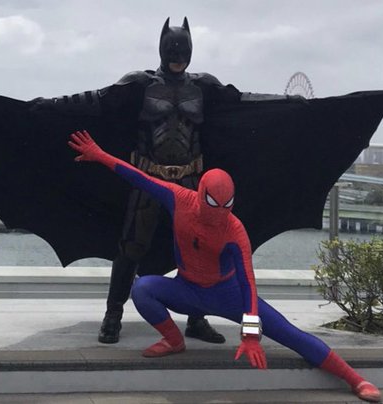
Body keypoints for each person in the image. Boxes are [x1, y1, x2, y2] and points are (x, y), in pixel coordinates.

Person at [68, 130, 382, 402]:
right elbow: (139, 177)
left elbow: (248, 284)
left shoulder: (234, 231)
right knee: (143, 288)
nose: (219, 212)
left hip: (228, 295)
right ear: (200, 194)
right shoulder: (179, 198)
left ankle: (355, 379)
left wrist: (250, 334)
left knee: (290, 334)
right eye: (213, 204)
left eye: (226, 206)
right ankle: (174, 341)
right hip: (187, 289)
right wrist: (99, 155)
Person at [33, 17, 240, 344]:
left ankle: (196, 318)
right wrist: (50, 106)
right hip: (148, 179)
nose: (177, 58)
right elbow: (96, 100)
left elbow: (243, 102)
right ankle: (113, 313)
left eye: (183, 52)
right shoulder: (140, 84)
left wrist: (291, 104)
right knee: (131, 246)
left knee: (199, 248)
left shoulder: (203, 87)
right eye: (172, 51)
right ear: (161, 50)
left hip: (190, 181)